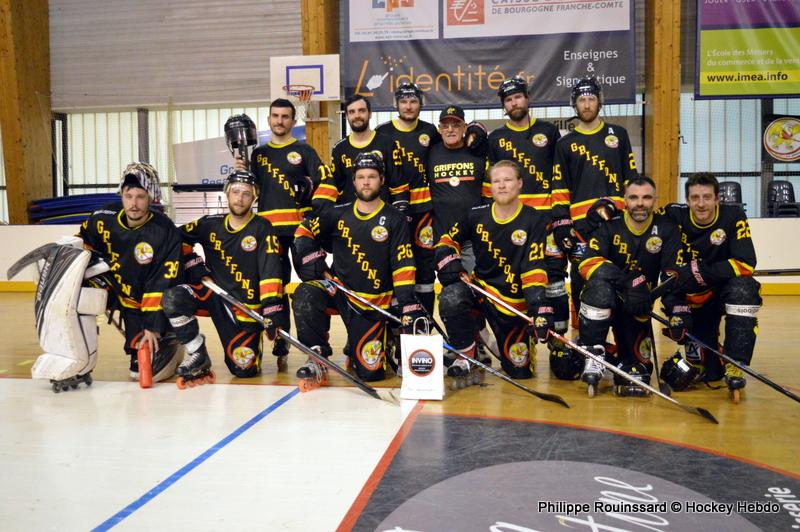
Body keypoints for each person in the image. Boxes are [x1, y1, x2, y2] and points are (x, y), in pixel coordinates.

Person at [292, 152, 425, 382]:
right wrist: (312, 257)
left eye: (371, 176)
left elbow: (402, 262)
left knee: (370, 374)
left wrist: (406, 303)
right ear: (353, 181)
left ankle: (383, 338)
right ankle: (317, 355)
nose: (366, 182)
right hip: (339, 290)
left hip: (374, 302)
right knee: (305, 294)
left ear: (382, 180)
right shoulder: (336, 213)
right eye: (361, 177)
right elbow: (304, 230)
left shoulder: (395, 218)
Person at [160, 170, 287, 382]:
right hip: (213, 295)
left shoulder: (262, 228)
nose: (240, 198)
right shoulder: (210, 224)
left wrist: (272, 309)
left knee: (244, 370)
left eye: (246, 193)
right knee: (173, 298)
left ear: (254, 198)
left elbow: (270, 271)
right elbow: (175, 238)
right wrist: (194, 265)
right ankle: (197, 353)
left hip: (244, 308)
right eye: (235, 192)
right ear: (227, 193)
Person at [435, 160, 552, 384]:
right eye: (496, 181)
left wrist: (538, 306)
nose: (502, 185)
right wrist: (449, 260)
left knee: (520, 371)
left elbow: (534, 267)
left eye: (507, 180)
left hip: (513, 303)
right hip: (482, 291)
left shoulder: (535, 219)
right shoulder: (475, 215)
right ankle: (466, 354)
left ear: (519, 183)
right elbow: (446, 240)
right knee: (451, 297)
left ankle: (488, 338)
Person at [234, 98, 329, 363]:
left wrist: (314, 216)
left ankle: (318, 341)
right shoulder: (258, 155)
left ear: (293, 121)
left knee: (313, 284)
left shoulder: (305, 150)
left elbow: (323, 184)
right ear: (268, 120)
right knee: (275, 286)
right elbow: (248, 191)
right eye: (275, 116)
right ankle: (281, 337)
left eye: (285, 116)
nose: (280, 121)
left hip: (301, 233)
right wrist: (242, 171)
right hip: (268, 233)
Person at [576, 176, 688, 397]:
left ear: (655, 200)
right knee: (598, 290)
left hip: (639, 306)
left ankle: (609, 355)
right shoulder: (609, 224)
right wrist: (627, 282)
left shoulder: (667, 229)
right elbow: (587, 263)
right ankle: (593, 354)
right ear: (625, 200)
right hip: (608, 297)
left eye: (646, 198)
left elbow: (671, 276)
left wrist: (676, 311)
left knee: (638, 372)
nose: (640, 203)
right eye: (634, 197)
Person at [487, 76, 569, 375]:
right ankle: (525, 342)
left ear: (527, 98)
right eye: (508, 100)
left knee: (555, 281)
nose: (514, 103)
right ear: (504, 105)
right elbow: (492, 185)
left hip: (546, 222)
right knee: (519, 280)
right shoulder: (496, 138)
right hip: (514, 224)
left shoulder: (548, 131)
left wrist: (560, 215)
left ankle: (559, 343)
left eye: (518, 97)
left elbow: (560, 176)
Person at [660, 172, 760, 400]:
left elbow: (746, 264)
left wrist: (700, 271)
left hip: (721, 291)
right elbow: (640, 214)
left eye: (707, 197)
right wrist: (675, 307)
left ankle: (735, 363)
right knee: (710, 372)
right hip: (689, 295)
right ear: (687, 200)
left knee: (745, 289)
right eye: (695, 198)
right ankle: (711, 358)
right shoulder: (673, 214)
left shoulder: (733, 216)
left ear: (717, 199)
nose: (701, 204)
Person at [78, 162, 183, 380]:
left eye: (140, 197)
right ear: (121, 195)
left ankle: (170, 336)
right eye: (128, 196)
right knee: (79, 294)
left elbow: (162, 282)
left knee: (140, 373)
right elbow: (82, 241)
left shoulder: (164, 230)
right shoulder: (102, 218)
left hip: (150, 299)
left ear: (151, 197)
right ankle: (80, 357)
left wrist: (152, 326)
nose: (133, 204)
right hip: (118, 291)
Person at [550, 77, 639, 318]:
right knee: (582, 280)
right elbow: (559, 186)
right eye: (582, 100)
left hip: (617, 222)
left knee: (620, 277)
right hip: (582, 228)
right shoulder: (564, 144)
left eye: (591, 99)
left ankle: (623, 334)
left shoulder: (618, 135)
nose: (587, 104)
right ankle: (583, 334)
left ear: (600, 102)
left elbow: (631, 178)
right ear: (574, 104)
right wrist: (561, 223)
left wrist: (632, 213)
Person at [376, 82, 440, 314]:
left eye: (413, 101)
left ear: (420, 104)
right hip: (392, 212)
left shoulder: (430, 131)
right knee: (392, 263)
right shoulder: (382, 132)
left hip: (424, 212)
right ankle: (395, 324)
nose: (409, 106)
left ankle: (423, 322)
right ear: (396, 104)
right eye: (404, 101)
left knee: (425, 266)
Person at [312, 94, 407, 212]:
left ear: (370, 113)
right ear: (347, 116)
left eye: (361, 111)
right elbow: (335, 186)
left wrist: (400, 212)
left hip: (382, 215)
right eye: (352, 112)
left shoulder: (387, 143)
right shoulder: (339, 148)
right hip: (350, 215)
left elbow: (398, 184)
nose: (357, 116)